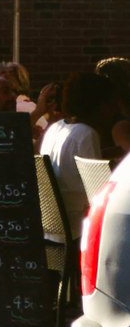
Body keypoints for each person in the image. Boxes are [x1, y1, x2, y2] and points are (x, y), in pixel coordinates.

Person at [41, 72, 112, 237]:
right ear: (101, 104)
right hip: (78, 226)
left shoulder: (55, 128)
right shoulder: (86, 134)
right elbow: (99, 191)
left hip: (52, 227)